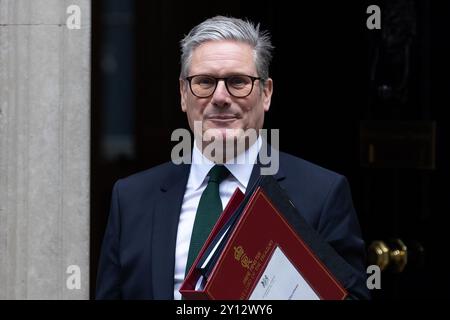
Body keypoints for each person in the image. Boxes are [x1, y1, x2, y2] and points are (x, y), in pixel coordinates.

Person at [96, 15, 370, 300]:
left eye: (238, 82)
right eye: (204, 82)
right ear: (182, 94)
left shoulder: (321, 195)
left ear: (266, 93)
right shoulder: (130, 199)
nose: (221, 97)